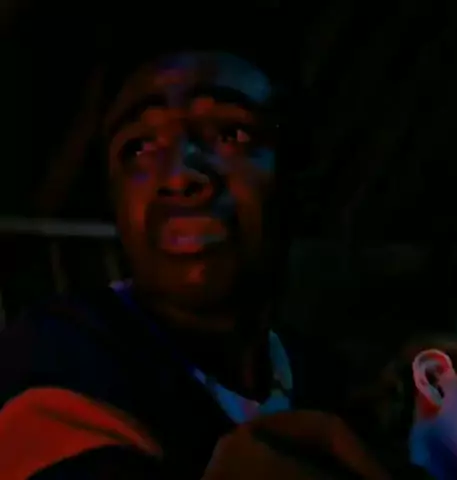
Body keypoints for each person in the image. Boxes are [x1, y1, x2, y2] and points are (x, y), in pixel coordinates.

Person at [0, 18, 400, 479]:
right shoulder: (55, 359)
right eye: (140, 146)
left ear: (296, 178)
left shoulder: (316, 375)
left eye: (231, 134)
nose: (179, 176)